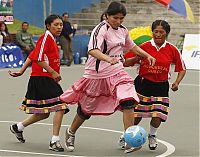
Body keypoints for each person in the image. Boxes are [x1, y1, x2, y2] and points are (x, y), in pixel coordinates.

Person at [59, 1, 156, 154]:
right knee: (86, 110)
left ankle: (129, 139)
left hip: (117, 72)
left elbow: (132, 46)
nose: (118, 21)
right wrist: (107, 58)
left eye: (121, 18)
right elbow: (93, 50)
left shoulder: (123, 30)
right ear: (107, 16)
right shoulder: (100, 29)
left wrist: (147, 55)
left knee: (129, 100)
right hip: (96, 74)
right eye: (115, 18)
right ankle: (70, 132)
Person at [120, 20, 186, 150]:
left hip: (161, 86)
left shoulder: (172, 49)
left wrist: (177, 82)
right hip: (142, 84)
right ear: (152, 32)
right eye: (156, 31)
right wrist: (136, 59)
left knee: (158, 115)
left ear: (166, 33)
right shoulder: (143, 47)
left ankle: (152, 135)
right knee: (136, 115)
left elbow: (182, 68)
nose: (158, 34)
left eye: (161, 32)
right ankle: (127, 135)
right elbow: (125, 62)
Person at [9, 14, 69, 152]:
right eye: (56, 25)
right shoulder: (45, 37)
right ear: (48, 26)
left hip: (45, 78)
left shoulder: (51, 38)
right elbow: (39, 58)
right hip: (42, 78)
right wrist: (53, 72)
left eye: (61, 25)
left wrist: (21, 71)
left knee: (44, 113)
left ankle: (18, 127)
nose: (59, 27)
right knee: (61, 106)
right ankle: (54, 141)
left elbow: (33, 55)